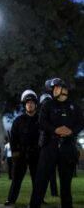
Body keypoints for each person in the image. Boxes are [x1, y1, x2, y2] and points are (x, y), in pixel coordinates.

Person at [30, 78, 84, 208]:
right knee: (40, 182)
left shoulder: (74, 107)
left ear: (64, 89)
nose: (53, 91)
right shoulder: (47, 105)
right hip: (49, 147)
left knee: (66, 184)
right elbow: (41, 122)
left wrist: (71, 131)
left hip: (67, 148)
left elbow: (81, 123)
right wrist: (55, 129)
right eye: (53, 89)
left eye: (56, 88)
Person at [4, 90, 40, 206]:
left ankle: (36, 201)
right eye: (27, 103)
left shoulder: (41, 120)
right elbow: (13, 138)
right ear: (25, 105)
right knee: (16, 180)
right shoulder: (18, 120)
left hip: (36, 154)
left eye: (32, 103)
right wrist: (14, 152)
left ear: (35, 104)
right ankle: (11, 199)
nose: (30, 104)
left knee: (37, 180)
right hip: (21, 154)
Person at [39, 93, 58, 197]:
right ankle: (49, 193)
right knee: (47, 172)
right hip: (45, 145)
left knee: (47, 172)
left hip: (48, 145)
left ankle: (45, 194)